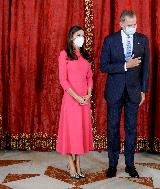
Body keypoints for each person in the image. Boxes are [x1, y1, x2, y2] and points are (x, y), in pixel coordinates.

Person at [100, 10, 150, 178]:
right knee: (113, 128)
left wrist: (144, 90)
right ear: (121, 24)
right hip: (114, 91)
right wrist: (125, 66)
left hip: (134, 92)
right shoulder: (110, 40)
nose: (133, 27)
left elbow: (145, 69)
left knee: (131, 129)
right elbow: (103, 66)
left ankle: (130, 165)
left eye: (135, 24)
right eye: (129, 25)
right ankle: (112, 165)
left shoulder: (142, 40)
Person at [56, 25, 94, 179]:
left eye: (83, 35)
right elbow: (63, 80)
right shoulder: (64, 54)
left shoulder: (85, 55)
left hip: (84, 101)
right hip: (71, 101)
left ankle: (78, 163)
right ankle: (70, 164)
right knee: (71, 132)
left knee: (80, 132)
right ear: (72, 37)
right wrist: (77, 97)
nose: (82, 38)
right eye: (79, 35)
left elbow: (90, 77)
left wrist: (88, 94)